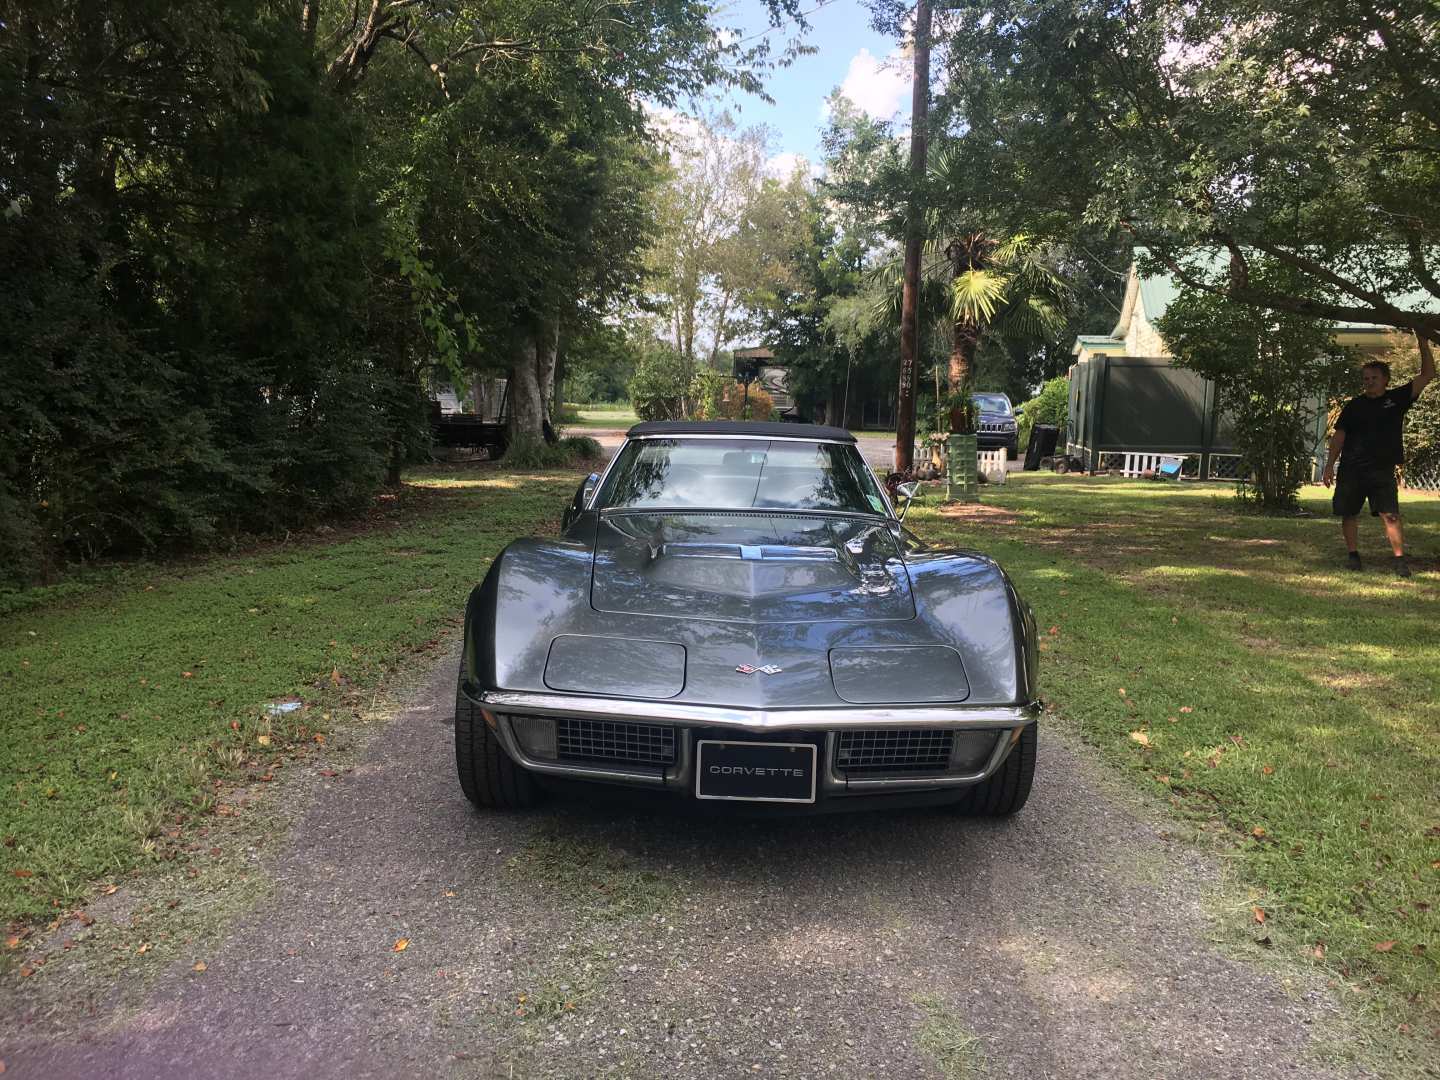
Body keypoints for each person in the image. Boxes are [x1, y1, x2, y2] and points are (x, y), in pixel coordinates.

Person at [1321, 333, 1435, 577]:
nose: (1369, 382)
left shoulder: (1397, 399)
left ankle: (1399, 560)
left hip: (1381, 470)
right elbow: (1339, 436)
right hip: (1351, 469)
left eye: (1374, 378)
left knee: (1391, 515)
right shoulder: (1354, 406)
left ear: (1385, 380)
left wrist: (1423, 343)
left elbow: (1427, 375)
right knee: (1348, 513)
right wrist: (1329, 465)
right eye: (1365, 378)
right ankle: (1353, 556)